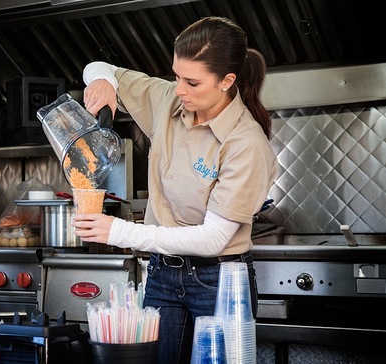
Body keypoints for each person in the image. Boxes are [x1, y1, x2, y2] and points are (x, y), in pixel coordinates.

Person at [73, 16, 278, 363]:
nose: (179, 89)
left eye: (192, 82)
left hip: (219, 280)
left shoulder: (246, 143)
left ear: (227, 81)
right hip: (162, 274)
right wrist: (105, 85)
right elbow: (99, 67)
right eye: (177, 75)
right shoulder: (169, 99)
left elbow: (213, 238)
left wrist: (120, 231)